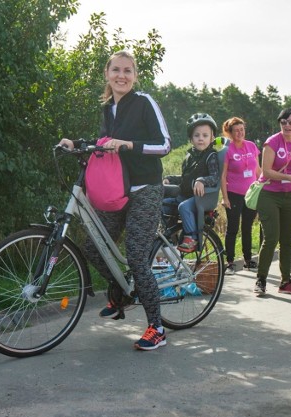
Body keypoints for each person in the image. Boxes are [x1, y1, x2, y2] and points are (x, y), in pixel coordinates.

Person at [59, 50, 171, 351]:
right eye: (116, 70)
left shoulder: (144, 102)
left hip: (145, 188)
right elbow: (103, 142)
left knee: (136, 256)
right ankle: (123, 293)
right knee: (93, 248)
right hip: (117, 190)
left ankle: (156, 328)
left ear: (135, 75)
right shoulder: (109, 108)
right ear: (107, 73)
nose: (122, 75)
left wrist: (130, 145)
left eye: (128, 70)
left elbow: (165, 145)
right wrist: (77, 143)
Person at [253, 107, 291, 296]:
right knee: (271, 238)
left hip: (290, 195)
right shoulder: (272, 142)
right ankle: (261, 279)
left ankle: (286, 281)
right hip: (269, 194)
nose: (287, 125)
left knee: (287, 240)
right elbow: (266, 171)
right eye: (283, 122)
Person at [163, 113, 220, 252]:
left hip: (201, 198)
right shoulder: (190, 156)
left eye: (205, 135)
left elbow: (215, 177)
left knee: (184, 207)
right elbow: (185, 178)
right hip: (185, 195)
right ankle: (169, 236)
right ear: (191, 138)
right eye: (197, 135)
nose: (201, 139)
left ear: (212, 137)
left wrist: (202, 180)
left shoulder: (211, 156)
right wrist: (170, 179)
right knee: (161, 205)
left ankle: (192, 238)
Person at [219, 117, 261, 275]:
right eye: (236, 130)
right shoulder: (226, 149)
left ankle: (248, 260)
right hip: (234, 194)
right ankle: (229, 262)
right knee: (233, 228)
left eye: (242, 129)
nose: (240, 133)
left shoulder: (251, 146)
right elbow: (223, 176)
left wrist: (264, 186)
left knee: (247, 227)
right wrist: (225, 197)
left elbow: (258, 170)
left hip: (251, 194)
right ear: (229, 132)